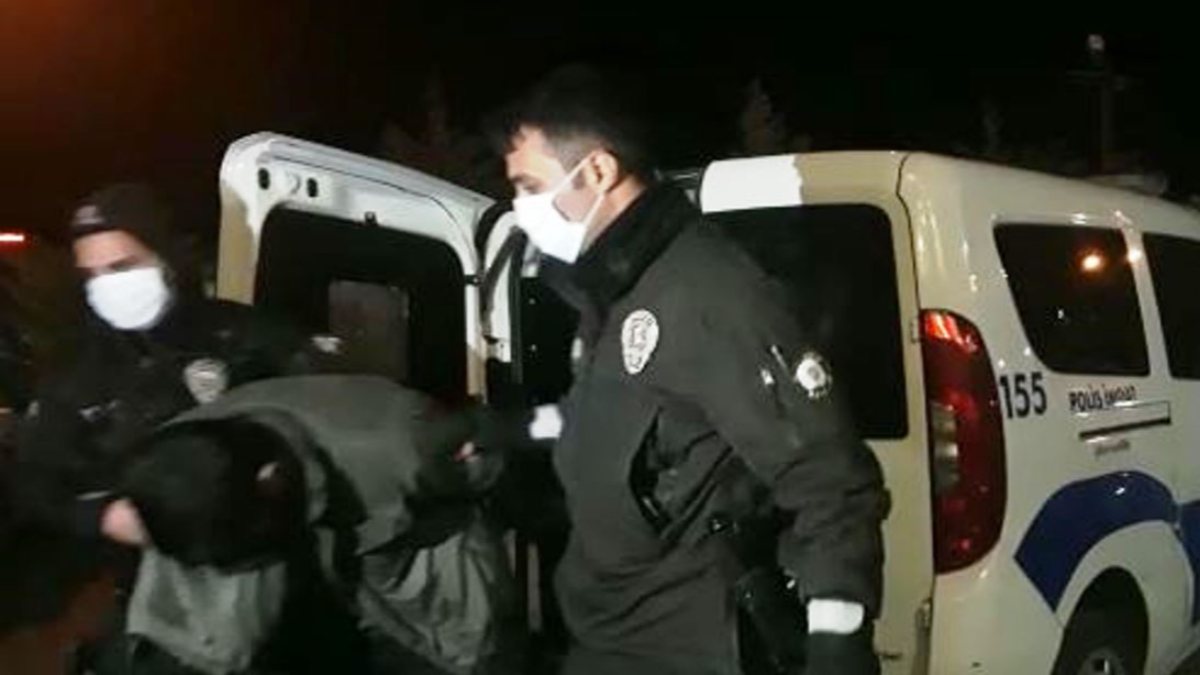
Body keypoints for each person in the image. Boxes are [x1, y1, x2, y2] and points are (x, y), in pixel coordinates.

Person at [487, 66, 889, 674]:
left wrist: (838, 636)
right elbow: (602, 417)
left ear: (597, 171)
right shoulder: (609, 291)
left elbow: (829, 480)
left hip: (688, 647)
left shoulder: (709, 294)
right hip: (605, 638)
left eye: (529, 186)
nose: (521, 209)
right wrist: (509, 430)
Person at [7, 183, 315, 670]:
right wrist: (104, 517)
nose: (106, 287)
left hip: (285, 586)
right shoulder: (78, 371)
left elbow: (325, 427)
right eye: (91, 275)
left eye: (122, 267)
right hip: (161, 605)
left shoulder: (252, 338)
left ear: (167, 258)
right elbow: (35, 481)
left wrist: (279, 481)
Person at [115, 375, 516, 675]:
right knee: (206, 644)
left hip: (397, 535)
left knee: (468, 641)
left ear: (270, 479)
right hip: (271, 518)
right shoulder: (176, 460)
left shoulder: (404, 445)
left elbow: (486, 457)